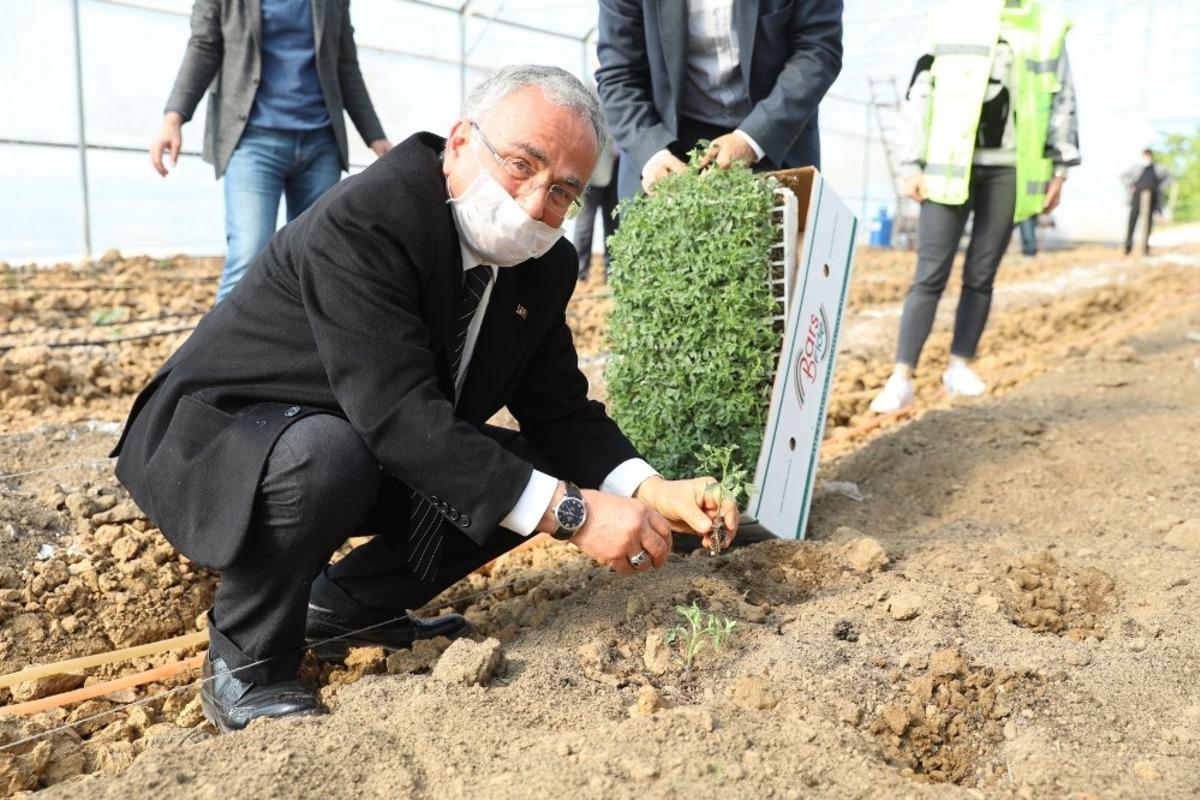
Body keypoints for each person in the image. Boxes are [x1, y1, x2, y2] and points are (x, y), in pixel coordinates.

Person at [113, 66, 739, 733]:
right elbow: (398, 417)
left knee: (518, 474)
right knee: (339, 458)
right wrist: (578, 515)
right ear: (462, 142)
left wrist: (648, 488)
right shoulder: (373, 217)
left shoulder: (544, 265)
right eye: (522, 165)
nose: (533, 204)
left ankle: (347, 608)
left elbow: (558, 410)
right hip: (223, 440)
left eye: (562, 191)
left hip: (353, 431)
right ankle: (246, 662)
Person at [869, 0, 1081, 413]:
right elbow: (919, 91)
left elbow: (1063, 99)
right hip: (947, 169)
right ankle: (901, 377)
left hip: (1011, 170)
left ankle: (959, 366)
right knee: (929, 274)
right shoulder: (949, 13)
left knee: (981, 274)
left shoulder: (1048, 25)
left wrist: (1061, 167)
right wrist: (911, 163)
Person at [149, 0, 392, 303]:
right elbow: (203, 46)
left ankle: (299, 348)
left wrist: (375, 136)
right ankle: (220, 350)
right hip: (252, 142)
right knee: (248, 255)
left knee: (316, 258)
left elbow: (345, 64)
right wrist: (174, 118)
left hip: (321, 145)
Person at [595, 0, 843, 199]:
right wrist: (652, 153)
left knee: (780, 253)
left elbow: (817, 52)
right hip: (666, 144)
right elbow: (619, 75)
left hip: (772, 139)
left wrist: (752, 137)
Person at [572, 141, 620, 281]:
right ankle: (579, 273)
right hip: (591, 175)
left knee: (613, 224)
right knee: (585, 225)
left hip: (617, 168)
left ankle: (611, 271)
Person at [1121, 148, 1173, 256]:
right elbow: (1123, 177)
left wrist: (1159, 187)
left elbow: (1170, 177)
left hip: (1151, 199)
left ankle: (1145, 247)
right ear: (1143, 156)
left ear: (1151, 156)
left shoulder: (1158, 168)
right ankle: (1128, 246)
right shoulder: (1137, 168)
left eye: (1149, 155)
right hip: (1137, 197)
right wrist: (1130, 186)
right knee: (1132, 222)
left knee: (1148, 224)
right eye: (1145, 155)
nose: (1147, 157)